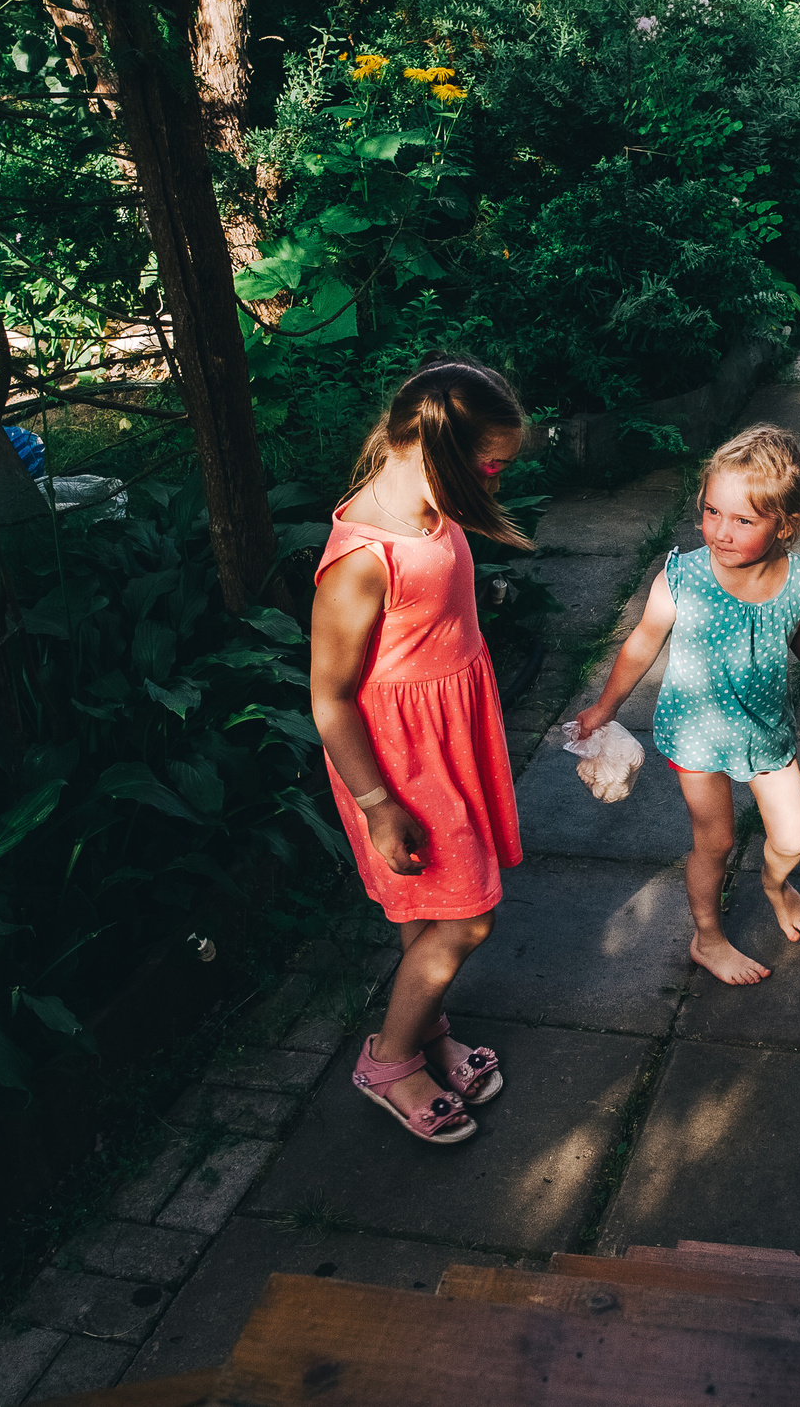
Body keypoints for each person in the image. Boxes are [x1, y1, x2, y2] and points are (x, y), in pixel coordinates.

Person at [309, 358, 532, 1144]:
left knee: (428, 911)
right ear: (434, 446)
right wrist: (378, 807)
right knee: (468, 918)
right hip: (401, 765)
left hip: (451, 736)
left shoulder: (430, 510)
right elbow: (329, 698)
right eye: (491, 465)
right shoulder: (364, 559)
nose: (497, 481)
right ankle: (390, 1059)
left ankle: (429, 1026)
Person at [573, 425, 800, 985]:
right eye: (711, 512)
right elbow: (641, 643)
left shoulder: (799, 581)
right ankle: (709, 937)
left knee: (793, 837)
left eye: (744, 520)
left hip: (764, 730)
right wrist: (605, 707)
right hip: (696, 734)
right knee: (716, 841)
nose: (721, 532)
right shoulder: (684, 577)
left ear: (784, 526)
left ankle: (775, 883)